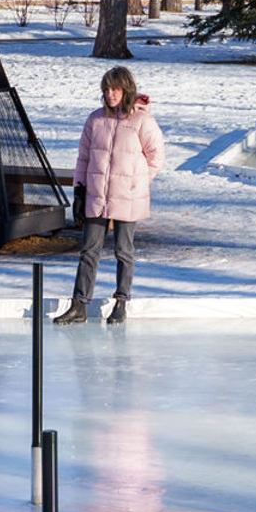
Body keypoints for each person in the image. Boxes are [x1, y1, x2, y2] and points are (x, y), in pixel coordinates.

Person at [55, 66, 164, 325]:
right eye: (106, 89)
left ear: (126, 90)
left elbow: (156, 158)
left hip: (128, 197)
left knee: (123, 251)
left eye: (114, 89)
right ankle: (79, 305)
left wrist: (136, 183)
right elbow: (83, 158)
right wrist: (79, 190)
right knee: (88, 251)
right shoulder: (95, 120)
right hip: (97, 195)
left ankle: (121, 303)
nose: (110, 93)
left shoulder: (142, 121)